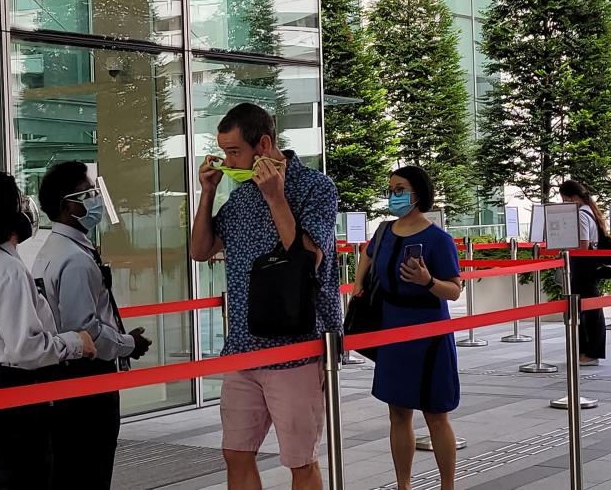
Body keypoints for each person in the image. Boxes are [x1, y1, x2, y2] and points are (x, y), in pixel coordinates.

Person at [190, 103, 342, 490]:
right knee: (235, 453)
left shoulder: (315, 187)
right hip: (243, 345)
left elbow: (307, 257)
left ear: (264, 144)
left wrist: (276, 197)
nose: (227, 160)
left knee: (299, 459)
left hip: (296, 346)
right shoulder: (239, 197)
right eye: (223, 151)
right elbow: (200, 250)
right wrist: (207, 193)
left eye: (235, 151)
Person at [0, 171, 97, 490]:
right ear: (5, 213)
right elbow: (26, 349)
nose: (26, 208)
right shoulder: (10, 271)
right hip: (11, 397)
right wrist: (75, 343)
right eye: (18, 200)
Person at [32, 161, 153, 489]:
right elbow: (85, 331)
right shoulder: (74, 260)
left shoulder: (51, 250)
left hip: (61, 376)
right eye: (89, 194)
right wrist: (129, 344)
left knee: (68, 468)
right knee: (91, 466)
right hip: (86, 378)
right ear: (68, 205)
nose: (96, 199)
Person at [352, 166, 463, 490]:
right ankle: (404, 485)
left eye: (400, 189)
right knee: (398, 413)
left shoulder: (438, 240)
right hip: (392, 329)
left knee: (436, 415)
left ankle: (447, 485)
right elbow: (367, 255)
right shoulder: (385, 231)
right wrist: (359, 284)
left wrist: (427, 281)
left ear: (418, 194)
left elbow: (454, 290)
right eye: (391, 189)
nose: (393, 195)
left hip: (429, 332)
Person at [560, 179, 607, 366]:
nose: (564, 204)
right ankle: (589, 352)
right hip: (590, 265)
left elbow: (583, 244)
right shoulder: (590, 211)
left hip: (583, 266)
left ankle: (589, 353)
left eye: (565, 200)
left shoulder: (581, 215)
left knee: (587, 311)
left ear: (573, 197)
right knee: (590, 309)